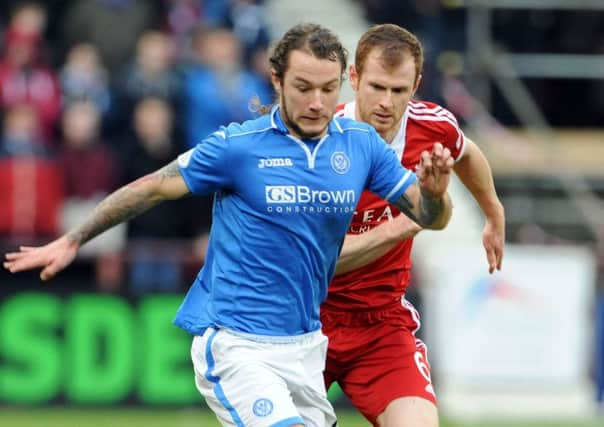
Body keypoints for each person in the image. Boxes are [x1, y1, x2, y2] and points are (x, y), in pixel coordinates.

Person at [4, 23, 455, 427]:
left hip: (304, 348)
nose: (317, 103)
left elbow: (428, 217)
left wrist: (434, 197)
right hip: (238, 346)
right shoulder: (237, 147)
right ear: (276, 80)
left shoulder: (360, 146)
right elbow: (151, 187)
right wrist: (73, 238)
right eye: (302, 87)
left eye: (327, 89)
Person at [322, 24, 506, 427]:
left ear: (417, 85)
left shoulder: (432, 127)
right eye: (376, 87)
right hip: (305, 321)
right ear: (352, 78)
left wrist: (493, 213)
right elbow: (316, 262)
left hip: (380, 326)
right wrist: (412, 220)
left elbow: (467, 153)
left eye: (399, 91)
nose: (387, 103)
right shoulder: (317, 140)